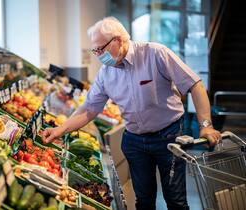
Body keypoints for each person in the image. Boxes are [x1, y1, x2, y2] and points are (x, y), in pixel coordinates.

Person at [41, 17, 221, 210]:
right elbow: (89, 109)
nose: (98, 55)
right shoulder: (105, 74)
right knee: (143, 201)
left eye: (101, 49)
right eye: (95, 51)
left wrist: (206, 126)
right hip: (135, 141)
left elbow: (195, 84)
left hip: (168, 136)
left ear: (118, 40)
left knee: (175, 200)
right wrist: (59, 130)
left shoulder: (155, 53)